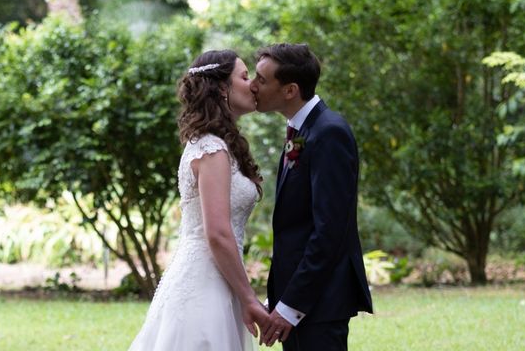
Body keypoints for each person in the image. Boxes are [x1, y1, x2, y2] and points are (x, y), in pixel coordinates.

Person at [128, 49, 270, 351]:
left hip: (219, 280)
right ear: (222, 88)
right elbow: (217, 233)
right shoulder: (211, 149)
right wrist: (248, 297)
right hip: (204, 286)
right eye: (244, 77)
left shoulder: (218, 145)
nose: (253, 84)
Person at [250, 43, 373, 350]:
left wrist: (290, 306)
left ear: (290, 90)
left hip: (319, 304)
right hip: (303, 303)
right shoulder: (302, 129)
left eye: (261, 80)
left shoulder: (329, 132)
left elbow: (329, 232)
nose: (252, 86)